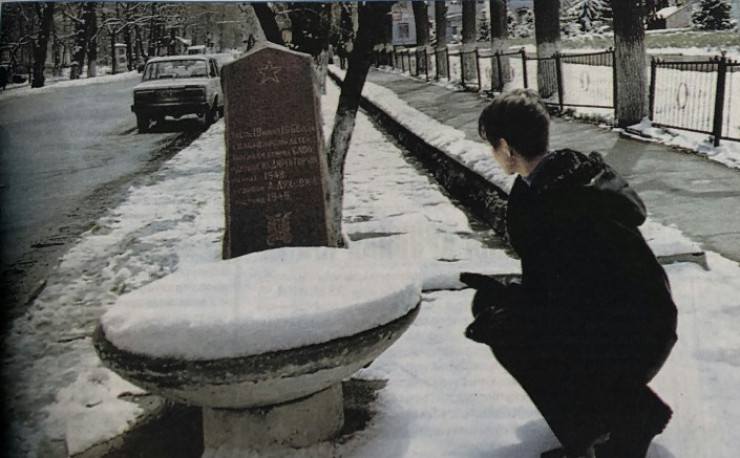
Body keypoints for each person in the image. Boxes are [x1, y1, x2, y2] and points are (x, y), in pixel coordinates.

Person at [462, 88, 677, 458]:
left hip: (636, 334)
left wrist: (513, 307)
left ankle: (624, 419)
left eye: (492, 146)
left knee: (507, 329)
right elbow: (566, 285)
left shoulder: (555, 200)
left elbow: (567, 297)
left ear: (506, 147)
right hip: (638, 319)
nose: (492, 154)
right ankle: (608, 420)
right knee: (497, 308)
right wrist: (506, 292)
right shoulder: (561, 177)